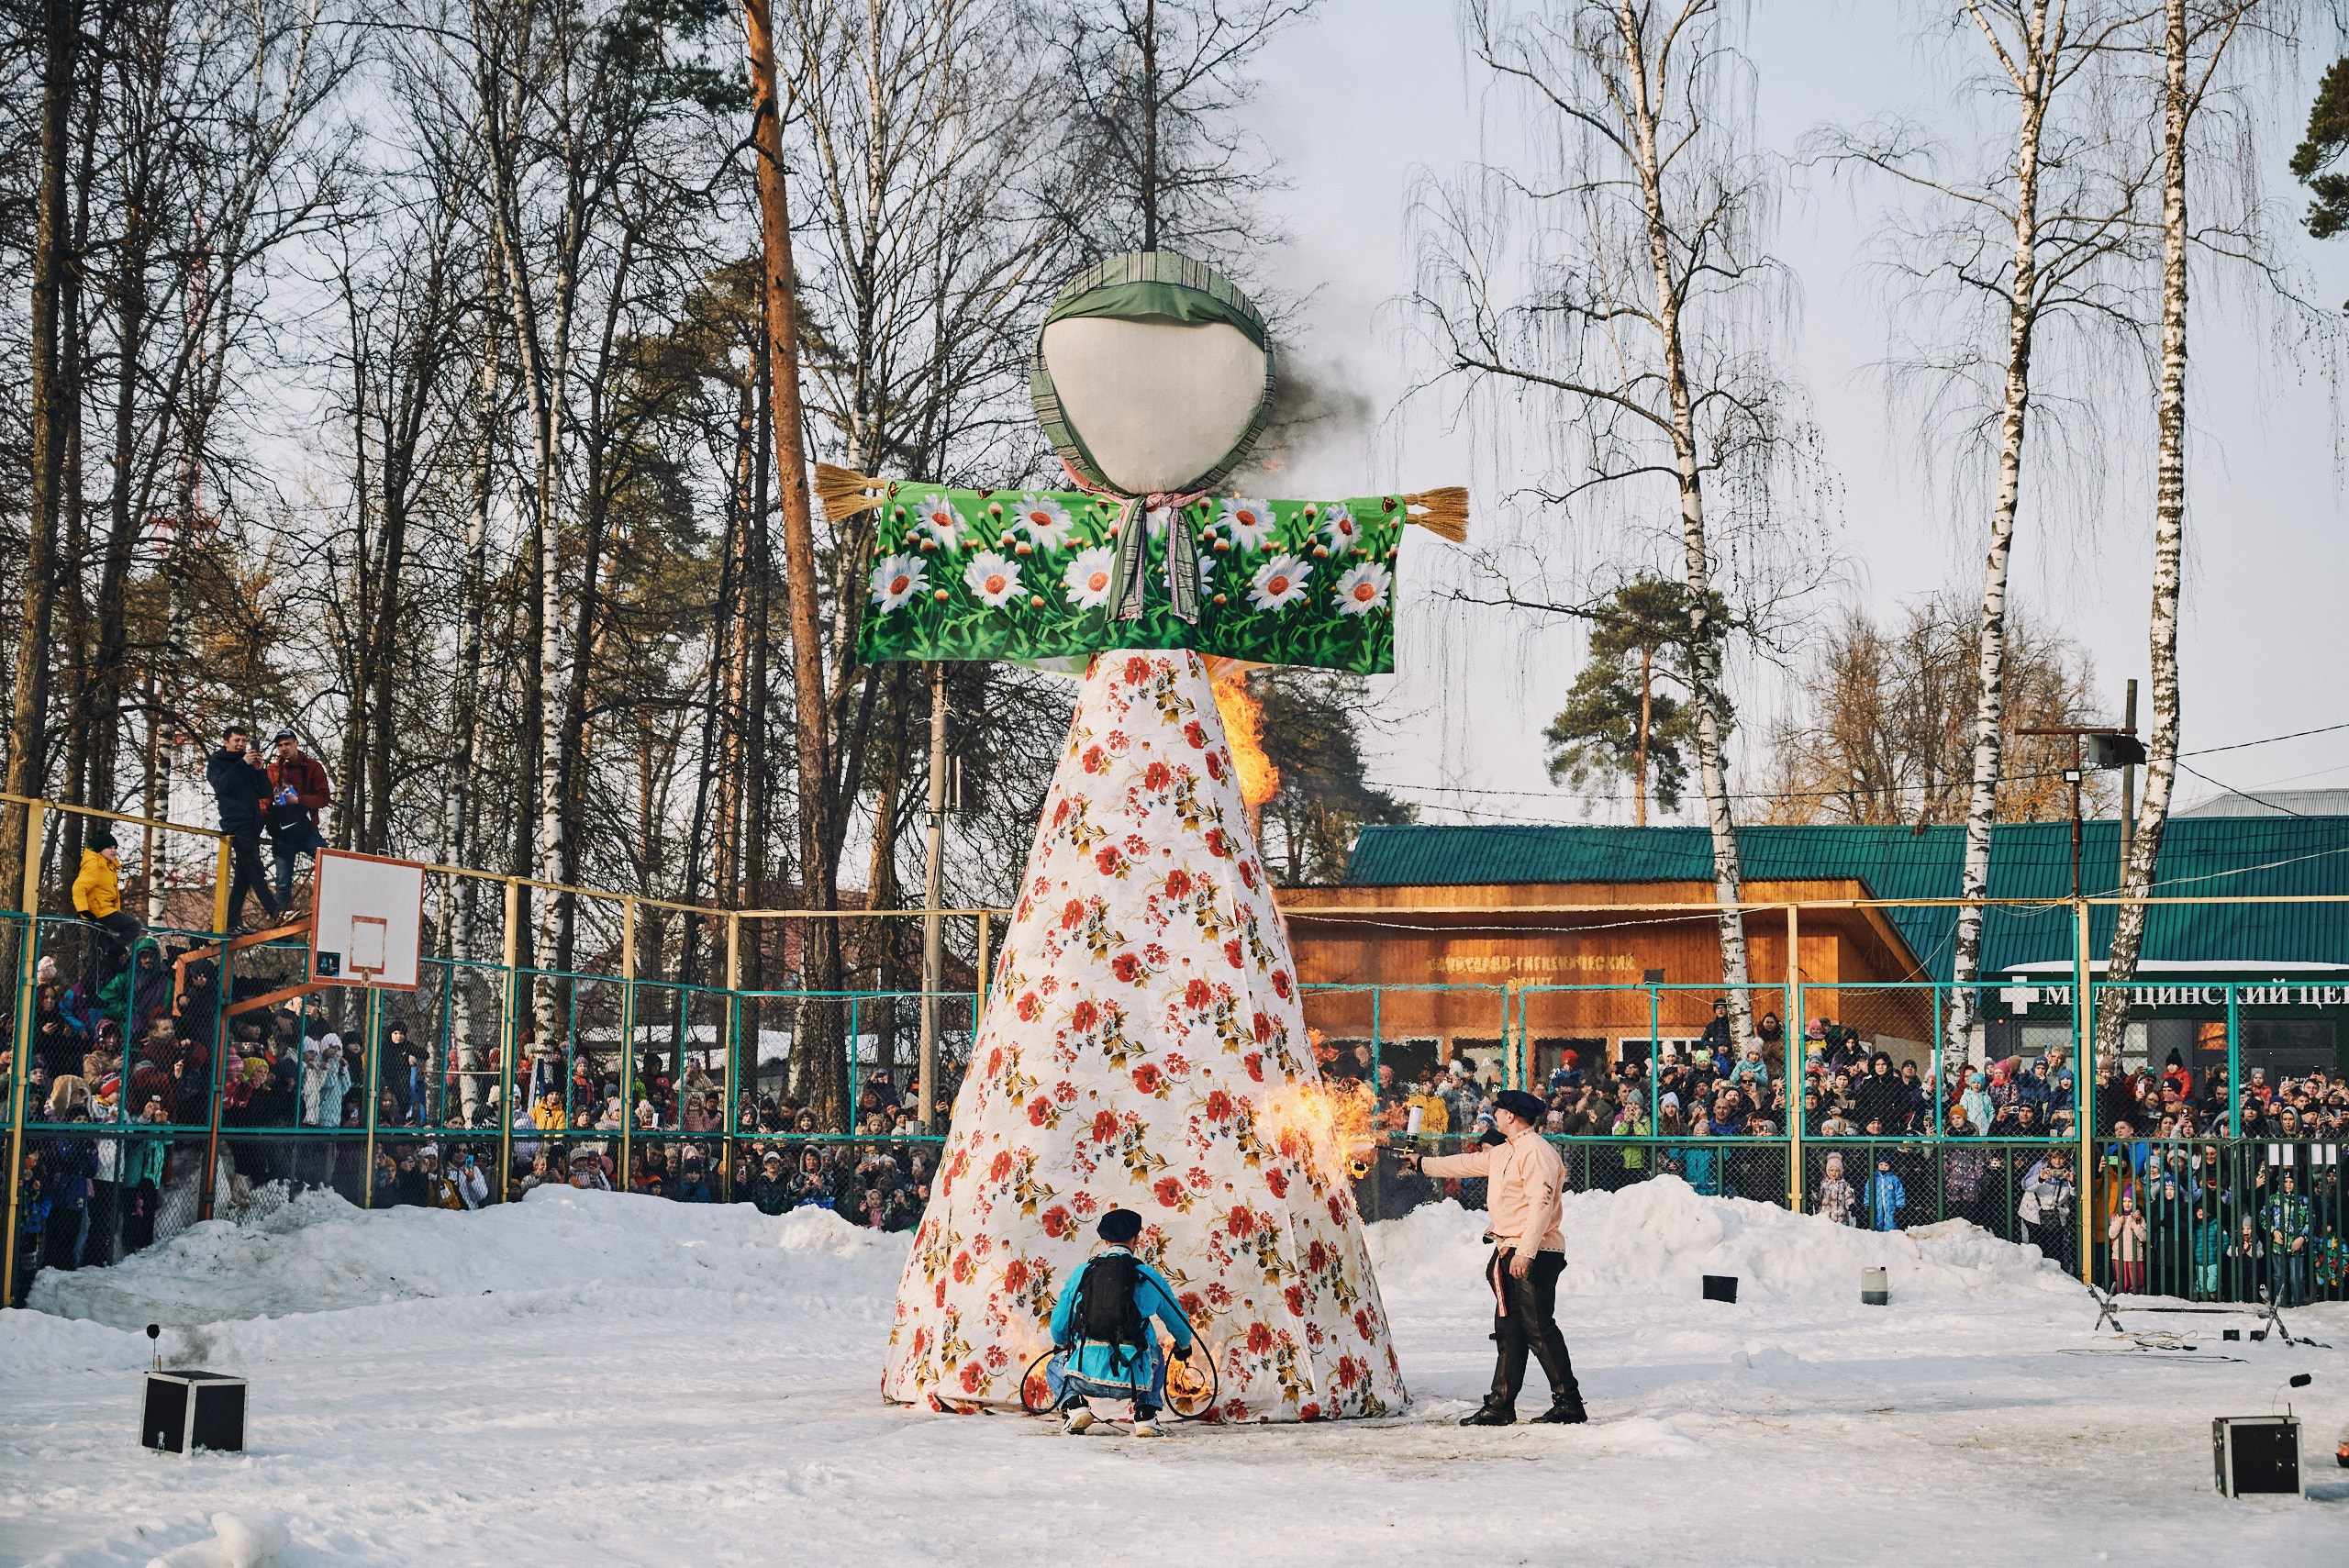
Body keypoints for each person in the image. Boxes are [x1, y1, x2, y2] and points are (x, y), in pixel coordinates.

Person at [1400, 1089, 1586, 1427]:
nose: (1494, 1114)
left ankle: (1568, 1402)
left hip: (1533, 1252)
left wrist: (1526, 1252)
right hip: (1510, 1250)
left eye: (1498, 1110)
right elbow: (1464, 1163)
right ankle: (1501, 1404)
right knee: (1510, 1330)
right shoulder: (1505, 1152)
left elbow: (1541, 1207)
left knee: (1538, 1329)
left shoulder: (1537, 1153)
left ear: (1511, 1116)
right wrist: (1422, 1163)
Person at [1046, 1207, 1195, 1437]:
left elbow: (1059, 1325)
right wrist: (1184, 1347)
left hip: (1083, 1375)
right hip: (1136, 1378)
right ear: (1137, 1238)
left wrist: (1062, 1344)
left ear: (1105, 1240)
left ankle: (1075, 1407)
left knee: (1054, 1365)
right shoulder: (1148, 1275)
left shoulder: (1083, 1272)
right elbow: (1179, 1323)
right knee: (1156, 1352)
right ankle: (1146, 1415)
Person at [205, 725, 283, 932]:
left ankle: (229, 924)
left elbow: (265, 792)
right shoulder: (217, 763)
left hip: (252, 824)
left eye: (243, 741)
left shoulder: (248, 764)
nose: (241, 744)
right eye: (237, 741)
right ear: (226, 742)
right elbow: (221, 786)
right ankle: (275, 911)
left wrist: (259, 770)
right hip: (235, 823)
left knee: (243, 877)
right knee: (255, 869)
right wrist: (242, 764)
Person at [263, 728, 332, 910]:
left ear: (296, 743)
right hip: (282, 832)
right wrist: (259, 825)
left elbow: (324, 798)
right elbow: (263, 801)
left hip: (306, 829)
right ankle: (282, 926)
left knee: (328, 863)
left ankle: (327, 907)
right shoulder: (272, 771)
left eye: (287, 743)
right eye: (279, 745)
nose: (284, 748)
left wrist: (299, 800)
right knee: (282, 883)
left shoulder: (312, 767)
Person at [72, 826, 143, 988]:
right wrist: (84, 911)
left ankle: (92, 988)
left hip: (104, 911)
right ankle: (113, 954)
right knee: (134, 926)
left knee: (98, 953)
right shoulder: (95, 866)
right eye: (110, 847)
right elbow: (78, 888)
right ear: (100, 849)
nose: (114, 851)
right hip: (100, 912)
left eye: (115, 847)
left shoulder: (108, 867)